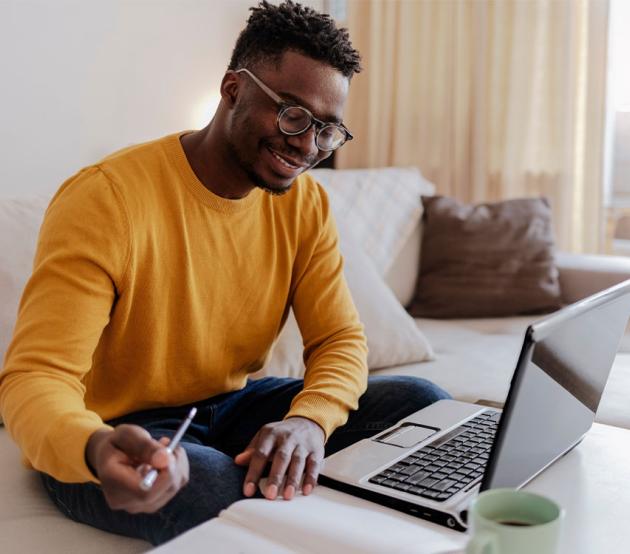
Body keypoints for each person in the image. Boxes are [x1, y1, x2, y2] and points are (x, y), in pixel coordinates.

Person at [0, 0, 449, 546]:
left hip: (230, 406)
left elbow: (339, 339)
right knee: (207, 481)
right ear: (233, 89)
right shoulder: (106, 199)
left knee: (422, 404)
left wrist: (309, 422)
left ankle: (291, 491)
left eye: (327, 129)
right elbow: (34, 379)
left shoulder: (305, 205)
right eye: (292, 114)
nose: (308, 146)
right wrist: (91, 447)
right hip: (113, 433)